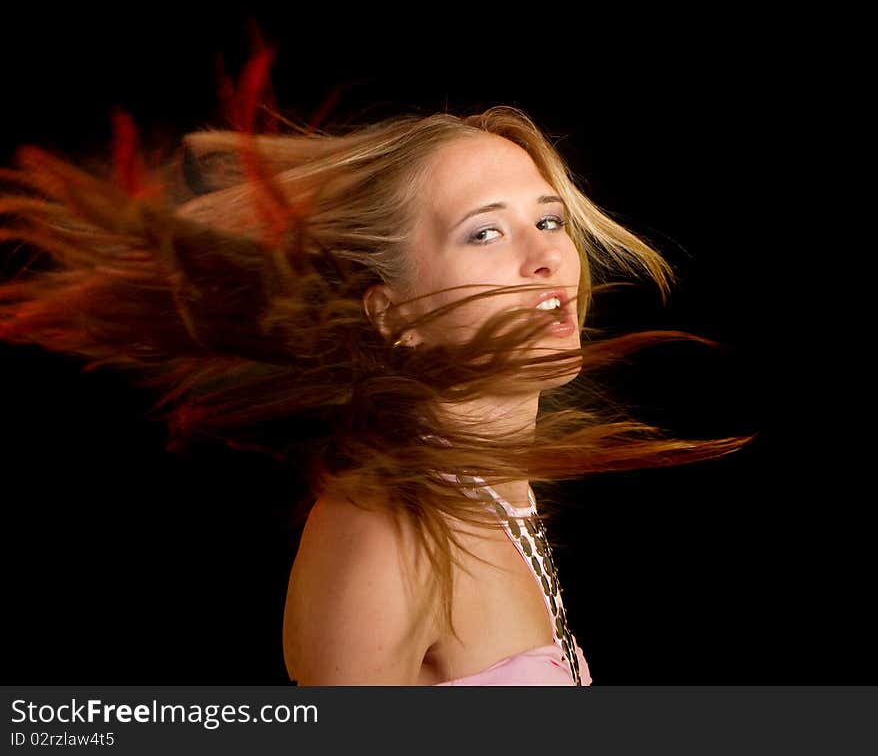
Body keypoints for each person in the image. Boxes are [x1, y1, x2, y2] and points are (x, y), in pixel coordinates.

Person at [0, 49, 755, 686]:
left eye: (549, 219)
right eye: (485, 232)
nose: (545, 256)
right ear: (391, 311)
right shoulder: (384, 530)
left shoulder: (504, 492)